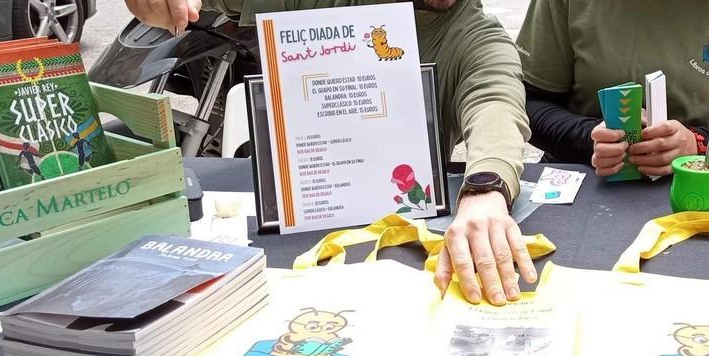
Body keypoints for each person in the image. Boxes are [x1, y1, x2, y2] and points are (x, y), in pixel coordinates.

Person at [125, 0, 536, 306]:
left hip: (396, 260)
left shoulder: (473, 36)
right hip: (286, 251)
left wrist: (486, 189)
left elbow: (496, 104)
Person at [515, 0, 709, 177]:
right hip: (581, 179)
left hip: (696, 184)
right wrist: (589, 137)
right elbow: (526, 103)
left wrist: (695, 145)